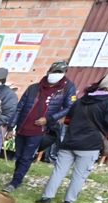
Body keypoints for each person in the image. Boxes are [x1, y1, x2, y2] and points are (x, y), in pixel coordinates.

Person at [37, 73, 108, 203]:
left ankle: (46, 197)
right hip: (90, 144)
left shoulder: (82, 99)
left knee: (59, 170)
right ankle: (68, 201)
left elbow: (68, 119)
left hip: (70, 140)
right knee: (80, 174)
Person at [6, 61, 77, 191]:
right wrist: (11, 127)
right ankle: (16, 177)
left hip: (41, 129)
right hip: (23, 126)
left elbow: (69, 107)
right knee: (19, 155)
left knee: (27, 156)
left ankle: (15, 182)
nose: (55, 74)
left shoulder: (68, 88)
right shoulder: (34, 88)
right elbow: (19, 107)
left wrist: (49, 119)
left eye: (59, 72)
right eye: (53, 71)